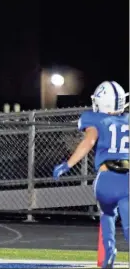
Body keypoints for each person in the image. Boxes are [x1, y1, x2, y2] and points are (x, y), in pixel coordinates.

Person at [53, 81, 129, 269]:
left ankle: (109, 251)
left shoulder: (94, 119)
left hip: (106, 178)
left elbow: (89, 141)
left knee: (107, 214)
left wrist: (67, 164)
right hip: (128, 177)